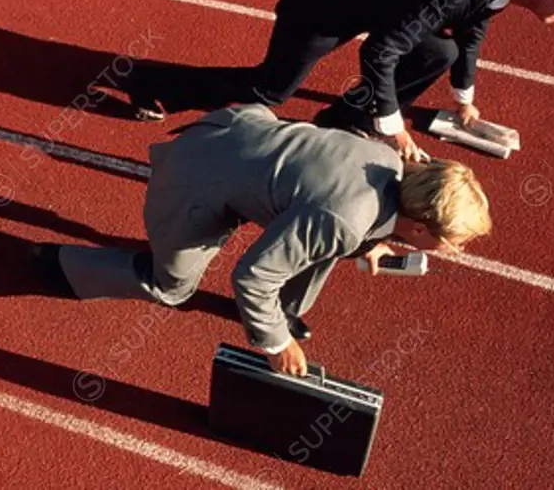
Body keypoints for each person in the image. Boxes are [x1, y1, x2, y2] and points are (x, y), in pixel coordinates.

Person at [30, 104, 492, 376]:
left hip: (242, 133)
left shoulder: (388, 163)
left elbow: (335, 205)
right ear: (417, 227)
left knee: (323, 244)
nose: (454, 250)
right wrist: (275, 345)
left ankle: (282, 313)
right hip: (195, 175)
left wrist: (371, 244)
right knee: (171, 287)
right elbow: (250, 277)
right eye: (451, 240)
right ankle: (56, 262)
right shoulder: (345, 220)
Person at [123, 0, 554, 162]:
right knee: (271, 89)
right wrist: (395, 128)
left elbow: (473, 28)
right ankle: (149, 83)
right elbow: (378, 53)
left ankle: (342, 122)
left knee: (442, 51)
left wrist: (465, 99)